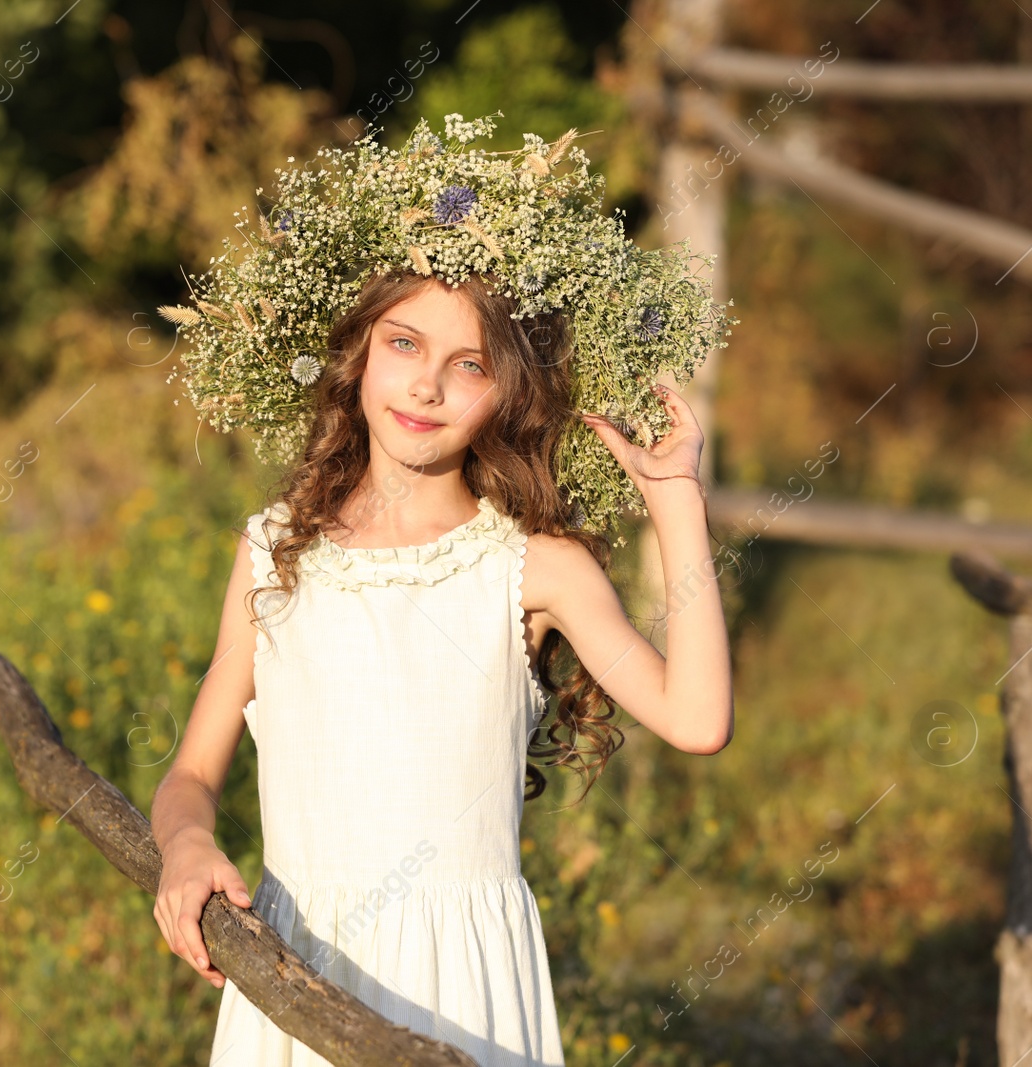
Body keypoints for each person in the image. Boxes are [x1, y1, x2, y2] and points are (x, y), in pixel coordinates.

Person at [149, 113, 734, 1065]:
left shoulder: (532, 565)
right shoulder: (275, 553)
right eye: (404, 345)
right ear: (359, 356)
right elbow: (190, 773)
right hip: (297, 969)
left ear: (508, 394)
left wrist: (676, 507)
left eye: (469, 366)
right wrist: (184, 847)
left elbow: (699, 717)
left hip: (464, 987)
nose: (427, 386)